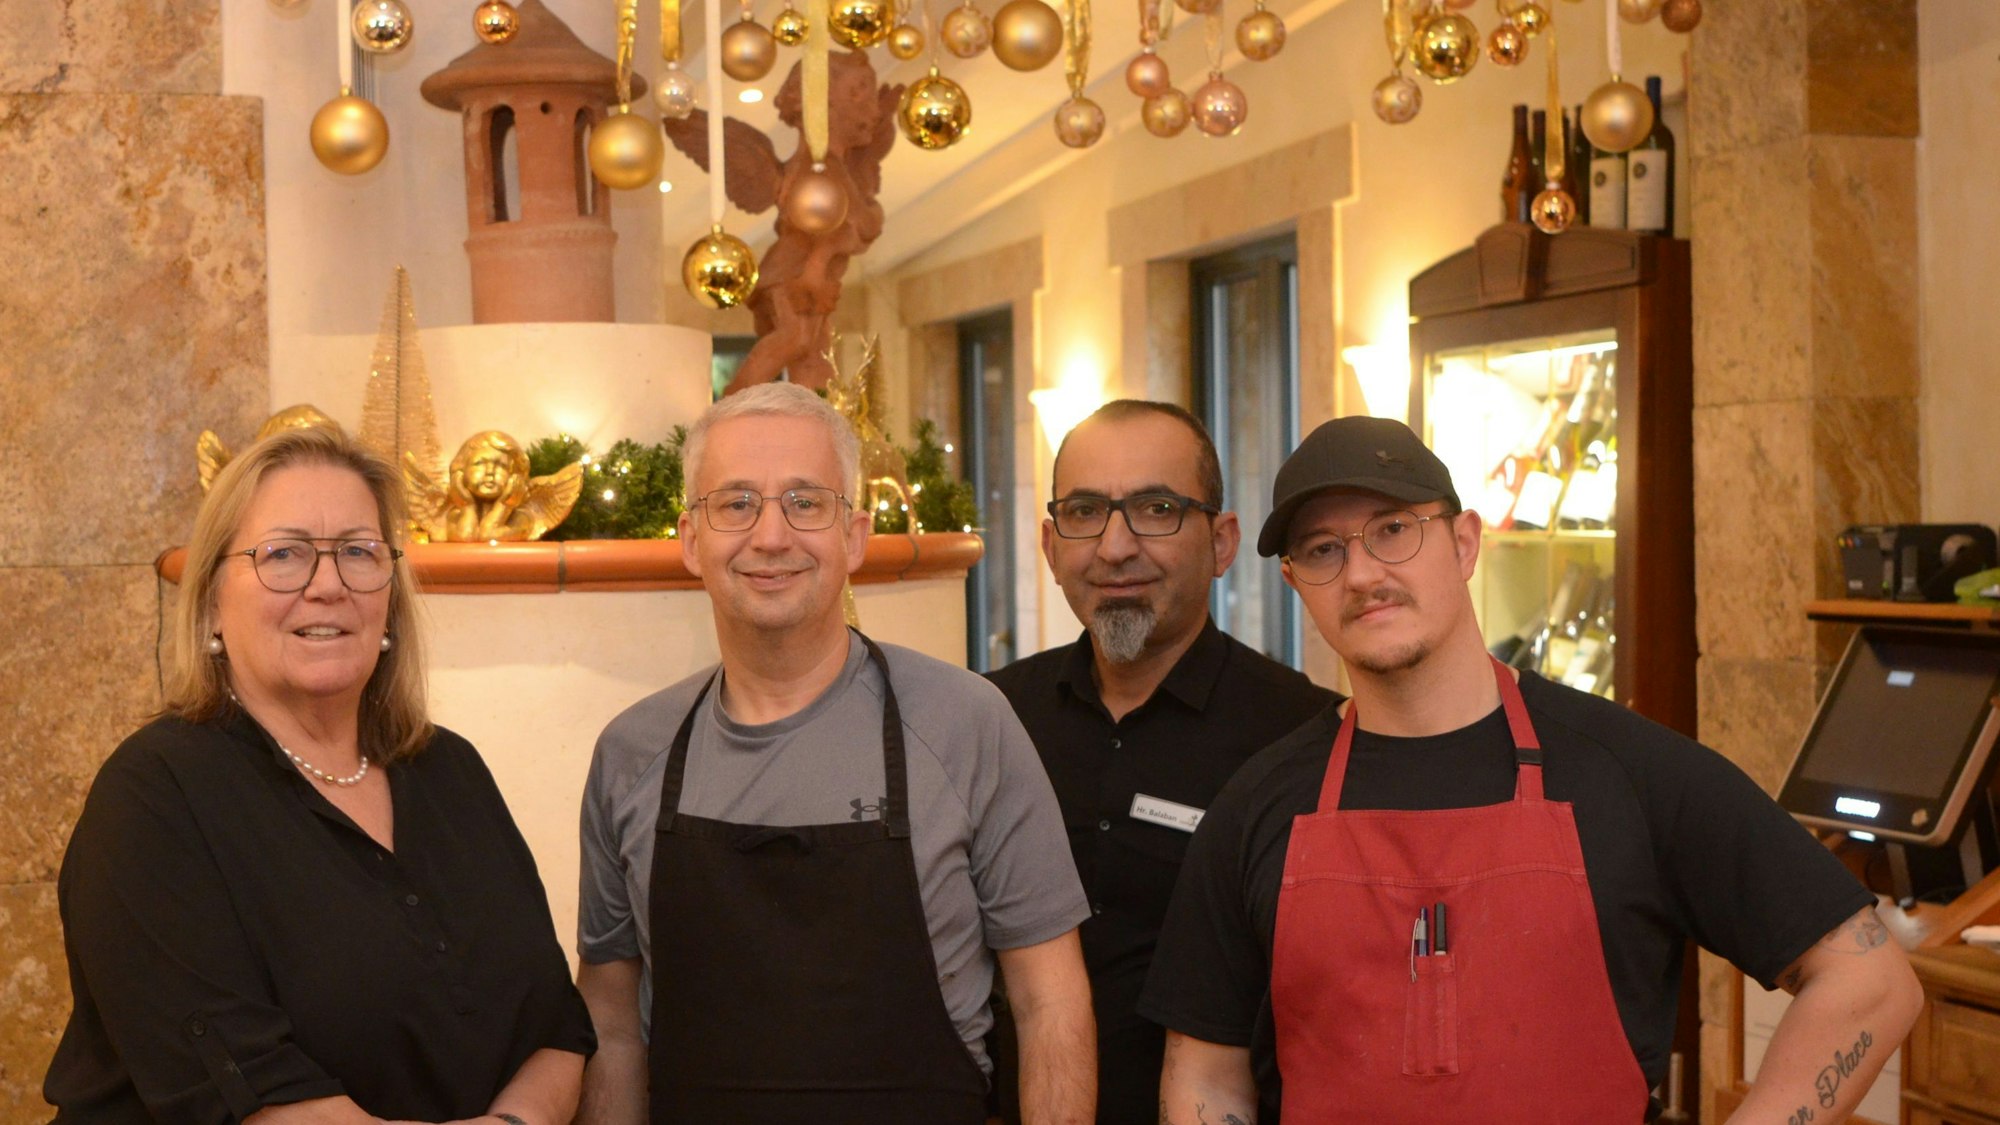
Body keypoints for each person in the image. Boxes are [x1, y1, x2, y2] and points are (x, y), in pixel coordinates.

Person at [1141, 416, 1924, 1123]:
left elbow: (1872, 982)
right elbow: (1205, 1077)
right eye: (1323, 550)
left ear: (1464, 542)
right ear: (1295, 583)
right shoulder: (1257, 805)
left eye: (1393, 529)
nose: (1362, 573)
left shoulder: (1631, 771)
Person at [574, 382, 1095, 1124]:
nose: (771, 535)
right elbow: (613, 1024)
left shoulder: (966, 723)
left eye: (805, 502)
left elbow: (1051, 1002)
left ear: (854, 534)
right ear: (692, 539)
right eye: (736, 503)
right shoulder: (631, 752)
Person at [45, 425, 595, 1124]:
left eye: (359, 553)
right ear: (214, 598)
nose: (328, 585)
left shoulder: (449, 769)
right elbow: (250, 1094)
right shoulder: (153, 798)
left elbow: (555, 1024)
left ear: (389, 597)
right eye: (285, 554)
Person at [987, 400, 1335, 1123]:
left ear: (1224, 540)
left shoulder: (1302, 735)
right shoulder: (991, 718)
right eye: (1085, 511)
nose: (1115, 546)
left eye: (1156, 507)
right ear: (1050, 547)